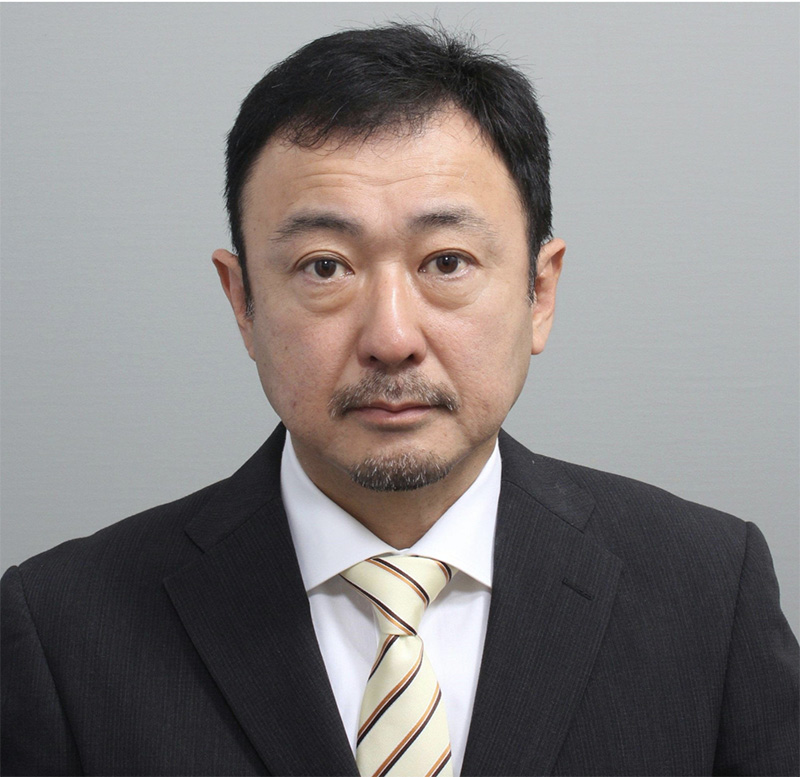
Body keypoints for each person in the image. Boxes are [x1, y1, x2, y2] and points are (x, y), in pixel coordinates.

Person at [1, 22, 797, 777]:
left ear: (540, 291)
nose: (390, 336)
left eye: (446, 261)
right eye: (324, 266)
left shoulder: (708, 592)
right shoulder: (65, 630)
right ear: (242, 301)